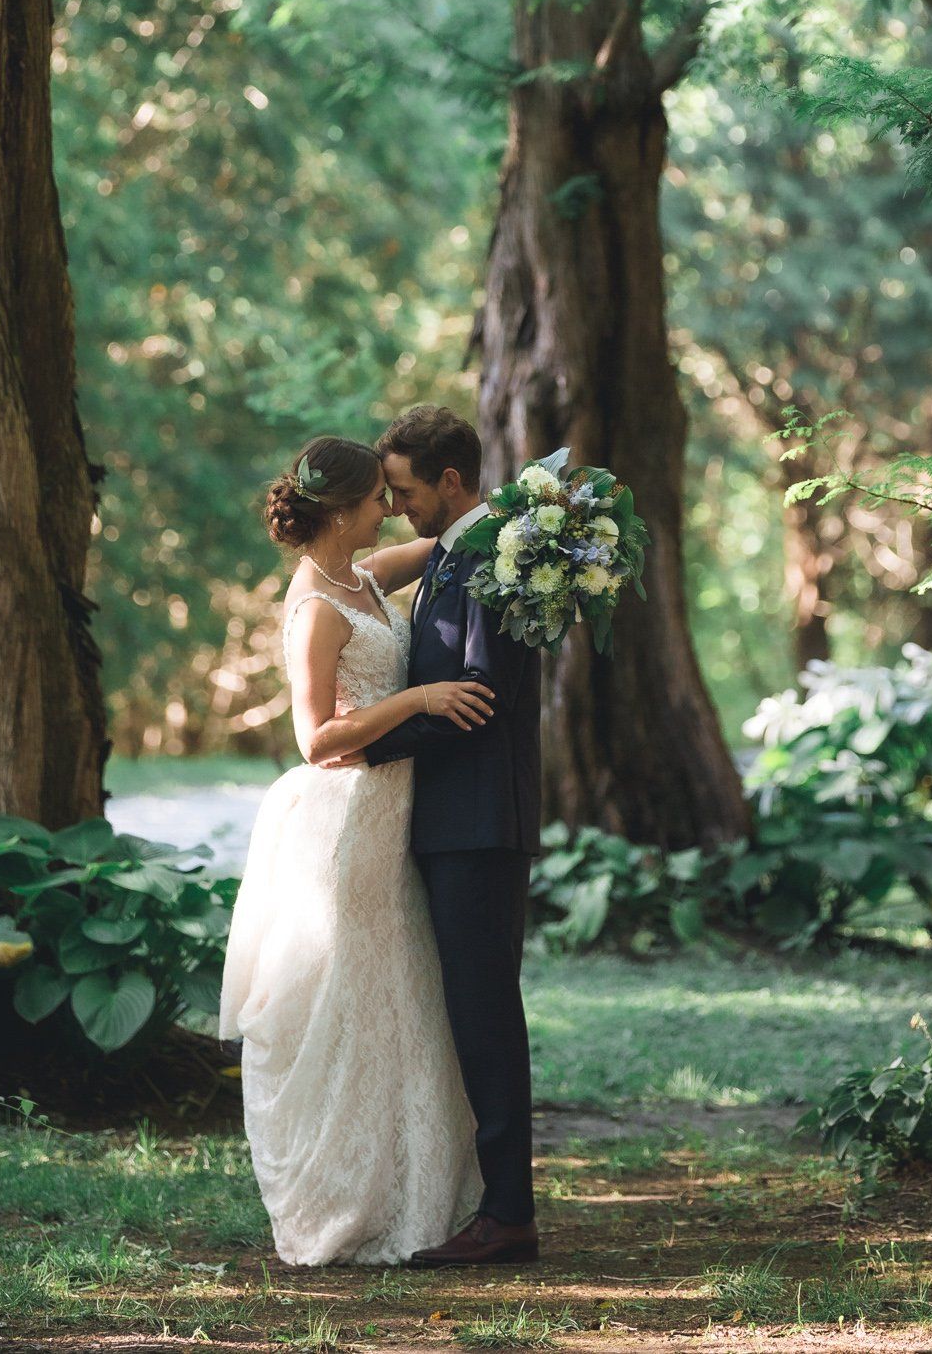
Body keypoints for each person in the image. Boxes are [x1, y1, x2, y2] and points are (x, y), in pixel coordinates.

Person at [219, 435, 490, 1265]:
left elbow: (446, 538)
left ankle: (410, 1193)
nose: (391, 508)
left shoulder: (364, 576)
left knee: (399, 1002)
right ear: (342, 510)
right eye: (379, 496)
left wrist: (523, 517)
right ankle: (337, 1197)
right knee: (346, 1005)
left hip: (389, 819)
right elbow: (314, 737)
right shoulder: (316, 607)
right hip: (343, 821)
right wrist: (414, 696)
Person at [359, 404, 541, 1268]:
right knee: (468, 1011)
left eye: (403, 490)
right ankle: (493, 1203)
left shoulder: (490, 566)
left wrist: (366, 743)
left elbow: (474, 700)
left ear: (451, 482)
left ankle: (507, 1216)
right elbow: (359, 574)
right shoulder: (463, 551)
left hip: (477, 822)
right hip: (452, 820)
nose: (397, 506)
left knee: (484, 1015)